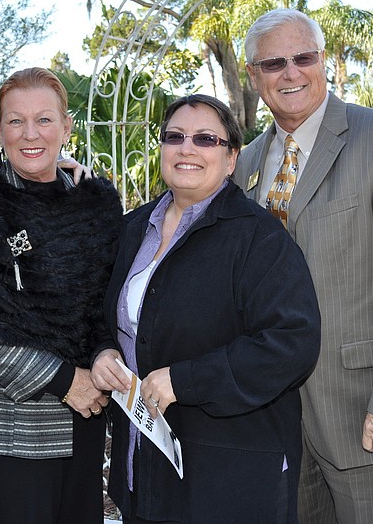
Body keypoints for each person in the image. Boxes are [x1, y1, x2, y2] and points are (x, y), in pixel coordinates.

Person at [232, 9, 373, 524]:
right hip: (277, 417)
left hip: (367, 412)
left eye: (303, 57)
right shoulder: (244, 163)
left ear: (324, 61)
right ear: (253, 75)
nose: (290, 73)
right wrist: (69, 178)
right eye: (273, 63)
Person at [91, 94, 321, 523]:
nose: (187, 148)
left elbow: (292, 342)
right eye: (174, 136)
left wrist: (186, 380)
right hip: (143, 468)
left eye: (205, 139)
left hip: (226, 480)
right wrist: (103, 352)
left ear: (232, 158)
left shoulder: (259, 238)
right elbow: (107, 316)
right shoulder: (135, 228)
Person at [0, 67, 123, 524]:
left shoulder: (96, 200)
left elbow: (108, 299)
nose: (30, 134)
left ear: (66, 125)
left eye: (44, 119)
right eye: (15, 121)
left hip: (87, 414)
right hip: (10, 425)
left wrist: (101, 356)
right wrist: (64, 382)